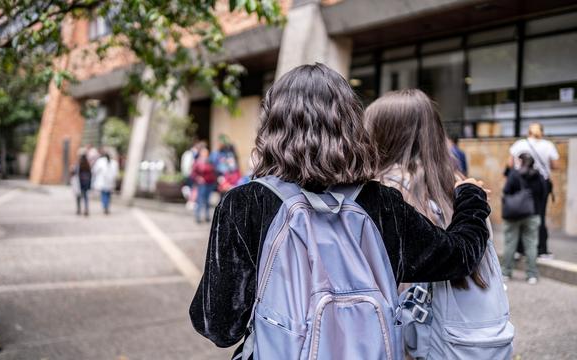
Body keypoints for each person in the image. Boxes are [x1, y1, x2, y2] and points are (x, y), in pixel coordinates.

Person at [189, 63, 491, 358]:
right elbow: (459, 255)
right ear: (350, 124)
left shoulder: (245, 204)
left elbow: (218, 326)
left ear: (271, 127)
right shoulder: (383, 204)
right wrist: (470, 196)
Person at [366, 89, 513, 358]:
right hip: (465, 337)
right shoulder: (463, 187)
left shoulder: (383, 194)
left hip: (413, 340)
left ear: (381, 136)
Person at [508, 123, 559, 258]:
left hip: (520, 183)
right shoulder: (548, 145)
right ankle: (541, 249)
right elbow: (555, 166)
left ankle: (519, 249)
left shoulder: (519, 144)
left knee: (520, 214)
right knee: (539, 215)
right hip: (540, 184)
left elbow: (510, 164)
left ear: (528, 132)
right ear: (541, 132)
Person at [502, 153, 546, 284]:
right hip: (533, 214)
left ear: (521, 161)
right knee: (531, 244)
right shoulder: (539, 176)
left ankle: (506, 272)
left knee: (510, 243)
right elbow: (544, 193)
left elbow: (506, 191)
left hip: (513, 215)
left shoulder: (515, 174)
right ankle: (531, 275)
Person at [190, 147, 217, 223]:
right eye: (204, 152)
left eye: (207, 152)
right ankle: (198, 217)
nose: (205, 154)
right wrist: (198, 178)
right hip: (202, 184)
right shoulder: (197, 162)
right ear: (201, 153)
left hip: (210, 183)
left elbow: (213, 171)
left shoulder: (210, 161)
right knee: (200, 200)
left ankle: (207, 216)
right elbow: (193, 174)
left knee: (208, 201)